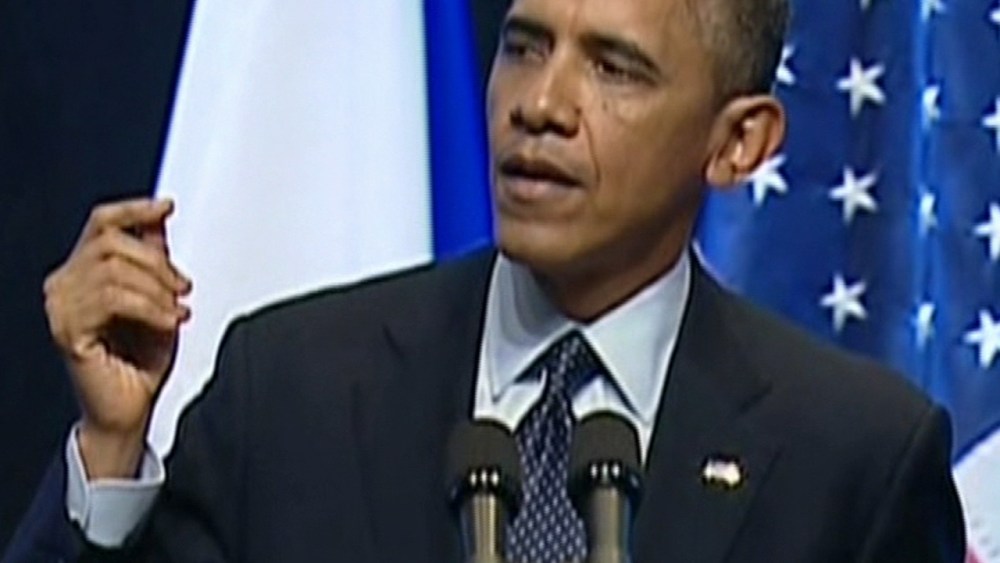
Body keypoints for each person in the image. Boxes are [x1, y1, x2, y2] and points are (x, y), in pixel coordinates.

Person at [4, 0, 965, 561]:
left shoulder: (854, 457)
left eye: (616, 69)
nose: (540, 104)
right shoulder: (291, 386)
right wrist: (112, 450)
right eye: (524, 45)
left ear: (738, 142)